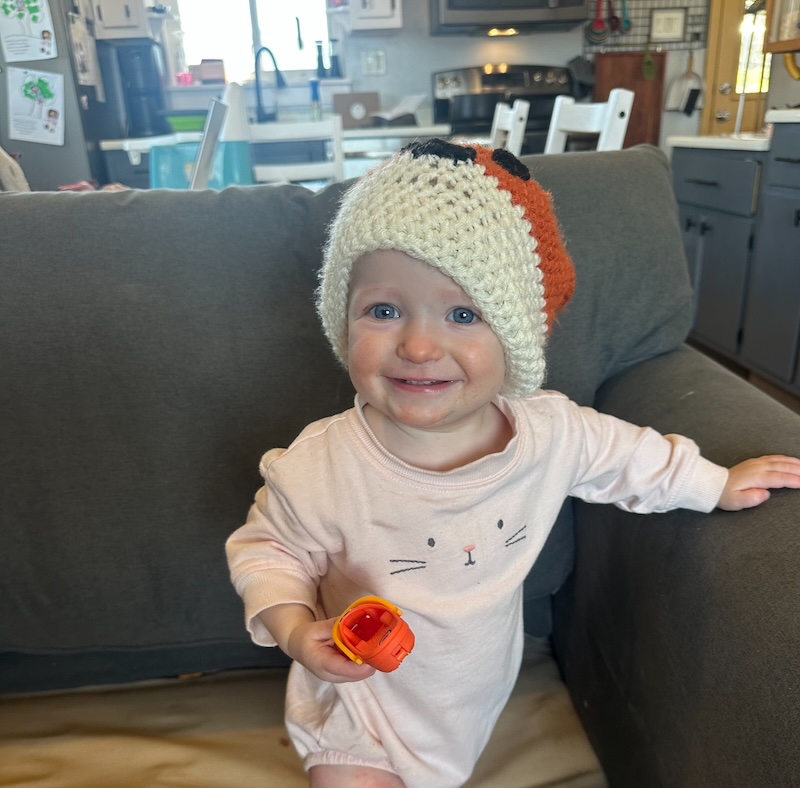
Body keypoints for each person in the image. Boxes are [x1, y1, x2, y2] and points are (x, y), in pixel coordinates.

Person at [226, 139, 800, 788]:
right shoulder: (322, 464)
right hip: (362, 704)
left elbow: (631, 460)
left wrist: (715, 483)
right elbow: (268, 552)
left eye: (463, 313)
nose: (417, 345)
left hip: (470, 697)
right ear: (343, 319)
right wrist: (298, 630)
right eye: (383, 311)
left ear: (516, 336)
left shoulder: (551, 434)